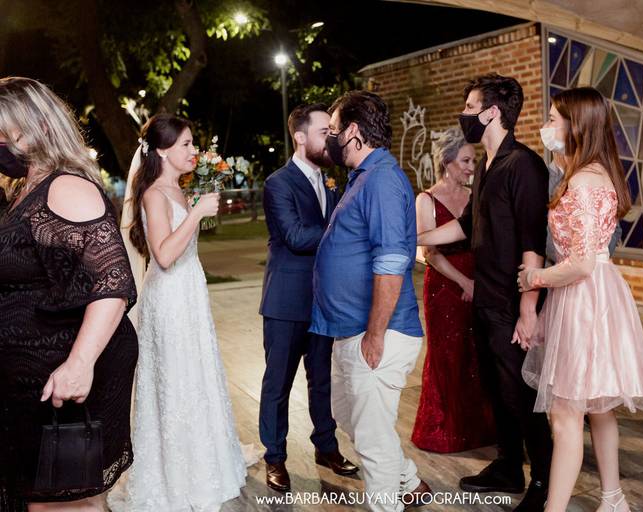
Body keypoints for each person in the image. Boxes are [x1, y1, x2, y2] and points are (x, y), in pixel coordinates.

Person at [519, 87, 643, 512]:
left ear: (576, 125)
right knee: (599, 407)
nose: (546, 127)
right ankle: (613, 498)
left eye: (552, 119)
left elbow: (581, 263)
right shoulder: (598, 172)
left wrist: (534, 277)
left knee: (565, 416)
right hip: (592, 294)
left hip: (583, 296)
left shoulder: (583, 182)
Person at [0, 77, 138, 512]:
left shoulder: (66, 187)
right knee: (37, 499)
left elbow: (112, 282)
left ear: (40, 126)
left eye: (3, 132)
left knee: (62, 504)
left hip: (65, 378)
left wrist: (79, 364)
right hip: (30, 378)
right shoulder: (24, 190)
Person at [417, 74, 553, 512]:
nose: (466, 114)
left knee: (522, 394)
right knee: (497, 390)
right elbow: (468, 227)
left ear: (493, 112)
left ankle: (545, 482)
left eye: (471, 107)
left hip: (513, 302)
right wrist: (413, 237)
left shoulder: (523, 165)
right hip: (486, 299)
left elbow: (533, 242)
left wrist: (528, 310)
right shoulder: (488, 166)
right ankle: (508, 466)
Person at [109, 114, 247, 511]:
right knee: (175, 382)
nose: (194, 151)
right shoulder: (155, 194)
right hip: (169, 300)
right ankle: (175, 477)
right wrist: (198, 213)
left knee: (195, 379)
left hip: (189, 295)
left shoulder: (178, 189)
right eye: (186, 144)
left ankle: (201, 467)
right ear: (163, 150)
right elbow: (165, 255)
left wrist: (195, 208)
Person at [310, 91, 431, 512]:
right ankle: (408, 481)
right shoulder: (362, 177)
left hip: (378, 333)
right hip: (349, 330)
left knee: (373, 444)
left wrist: (375, 334)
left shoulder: (381, 179)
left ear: (353, 131)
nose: (330, 138)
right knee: (350, 417)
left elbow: (392, 262)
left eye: (333, 129)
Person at [259, 103, 358, 493]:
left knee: (322, 380)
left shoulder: (333, 180)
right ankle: (275, 457)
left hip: (323, 300)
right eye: (323, 132)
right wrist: (345, 227)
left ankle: (326, 447)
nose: (330, 138)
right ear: (300, 137)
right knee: (278, 384)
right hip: (286, 302)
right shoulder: (278, 183)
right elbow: (296, 237)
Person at [411, 127, 495, 453]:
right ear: (447, 162)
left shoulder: (475, 195)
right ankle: (447, 429)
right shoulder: (426, 200)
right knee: (448, 355)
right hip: (445, 286)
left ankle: (481, 427)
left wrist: (480, 282)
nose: (472, 167)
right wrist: (464, 282)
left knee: (477, 354)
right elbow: (430, 253)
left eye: (473, 161)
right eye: (466, 161)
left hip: (479, 281)